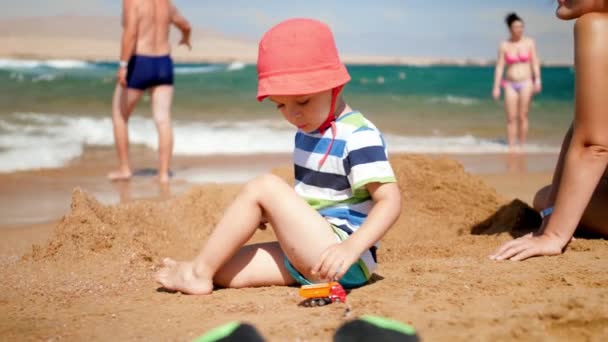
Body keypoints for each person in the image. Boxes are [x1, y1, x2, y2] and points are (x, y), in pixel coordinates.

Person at [154, 18, 402, 294]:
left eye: (303, 101)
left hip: (344, 259)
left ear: (336, 85)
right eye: (280, 105)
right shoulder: (306, 132)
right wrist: (274, 214)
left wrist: (350, 248)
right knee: (223, 270)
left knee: (263, 186)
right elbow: (318, 203)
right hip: (310, 256)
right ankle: (202, 268)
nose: (293, 114)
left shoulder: (358, 136)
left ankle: (196, 274)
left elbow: (389, 201)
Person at [490, 1, 608, 261]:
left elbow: (594, 145)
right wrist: (553, 216)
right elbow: (582, 126)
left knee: (549, 199)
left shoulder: (596, 25)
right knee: (548, 199)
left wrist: (553, 235)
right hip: (513, 83)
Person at [107, 0, 192, 183]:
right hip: (163, 63)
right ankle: (163, 174)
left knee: (119, 116)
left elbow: (131, 32)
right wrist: (186, 37)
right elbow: (185, 25)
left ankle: (124, 169)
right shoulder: (166, 4)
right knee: (163, 120)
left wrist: (123, 65)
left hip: (140, 63)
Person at [492, 12, 542, 153]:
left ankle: (522, 145)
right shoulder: (504, 45)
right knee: (511, 116)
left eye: (521, 26)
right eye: (516, 27)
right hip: (509, 84)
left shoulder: (529, 42)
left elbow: (535, 62)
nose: (519, 29)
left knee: (523, 115)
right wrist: (496, 87)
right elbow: (500, 66)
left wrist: (538, 80)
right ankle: (511, 146)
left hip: (526, 82)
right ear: (510, 28)